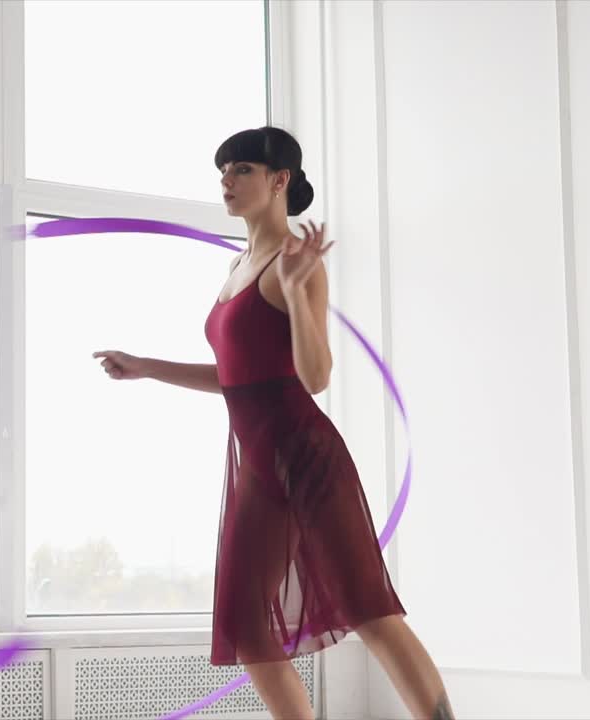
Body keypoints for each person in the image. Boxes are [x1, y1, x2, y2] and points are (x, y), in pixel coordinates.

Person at [92, 126, 453, 720]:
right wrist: (146, 367)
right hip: (259, 465)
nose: (227, 182)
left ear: (279, 180)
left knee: (369, 611)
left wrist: (293, 287)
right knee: (245, 628)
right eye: (224, 172)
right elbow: (240, 378)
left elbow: (315, 376)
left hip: (306, 455)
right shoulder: (238, 263)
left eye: (241, 170)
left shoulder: (294, 263)